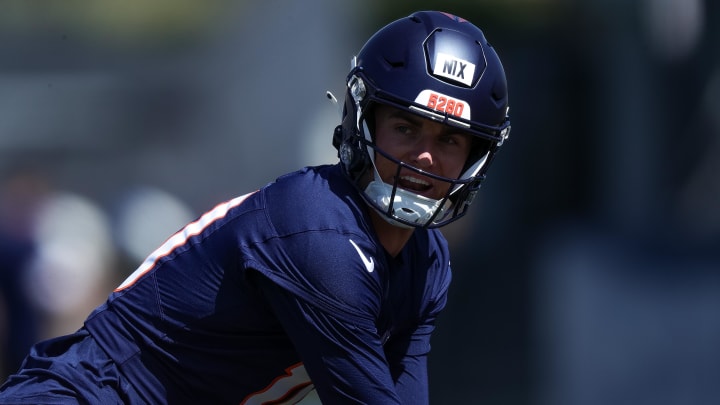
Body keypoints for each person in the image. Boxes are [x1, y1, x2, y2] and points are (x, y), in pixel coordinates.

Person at [0, 10, 511, 404]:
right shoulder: (321, 235)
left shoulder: (426, 261)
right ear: (363, 121)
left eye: (450, 140)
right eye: (405, 128)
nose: (425, 155)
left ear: (476, 157)